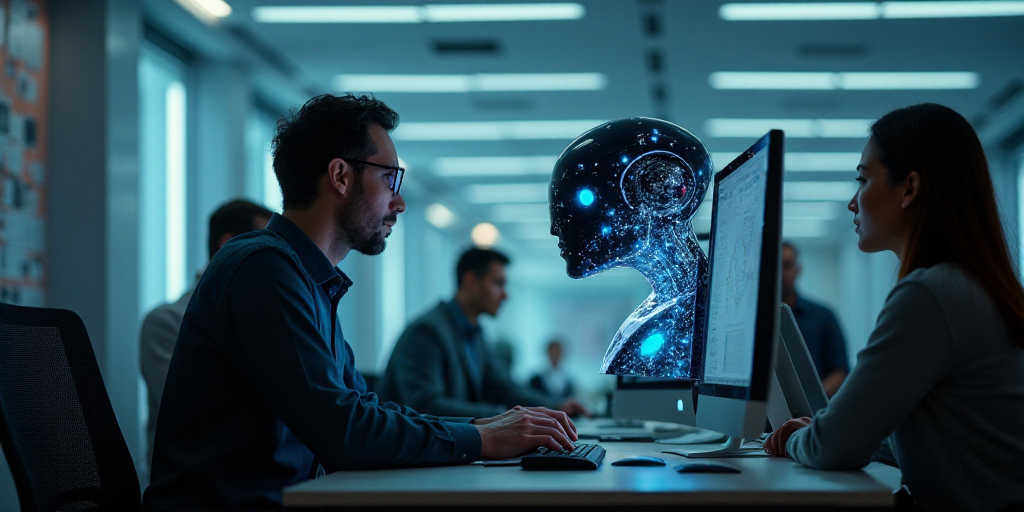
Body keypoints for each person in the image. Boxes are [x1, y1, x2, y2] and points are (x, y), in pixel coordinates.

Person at [143, 94, 579, 511]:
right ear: (340, 176)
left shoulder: (307, 279)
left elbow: (361, 408)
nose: (400, 202)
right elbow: (344, 431)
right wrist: (483, 440)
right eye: (390, 178)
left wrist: (479, 428)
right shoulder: (263, 269)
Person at [765, 103, 1024, 511]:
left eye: (863, 180)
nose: (853, 202)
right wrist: (827, 431)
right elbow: (928, 435)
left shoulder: (931, 293)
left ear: (909, 188)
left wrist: (797, 438)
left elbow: (833, 447)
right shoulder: (968, 284)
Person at [378, 248, 591, 418]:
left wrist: (554, 406)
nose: (505, 295)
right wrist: (505, 415)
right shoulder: (427, 332)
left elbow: (500, 386)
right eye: (498, 284)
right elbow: (426, 405)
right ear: (470, 281)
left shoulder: (475, 333)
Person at [139, 198, 273, 467]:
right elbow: (191, 414)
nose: (273, 260)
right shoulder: (165, 322)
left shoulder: (266, 316)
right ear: (228, 245)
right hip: (198, 482)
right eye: (265, 247)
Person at [781, 241, 849, 397]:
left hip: (814, 413)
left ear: (798, 269)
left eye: (788, 265)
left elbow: (840, 369)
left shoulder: (823, 316)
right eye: (776, 265)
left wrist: (816, 397)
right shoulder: (755, 320)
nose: (782, 272)